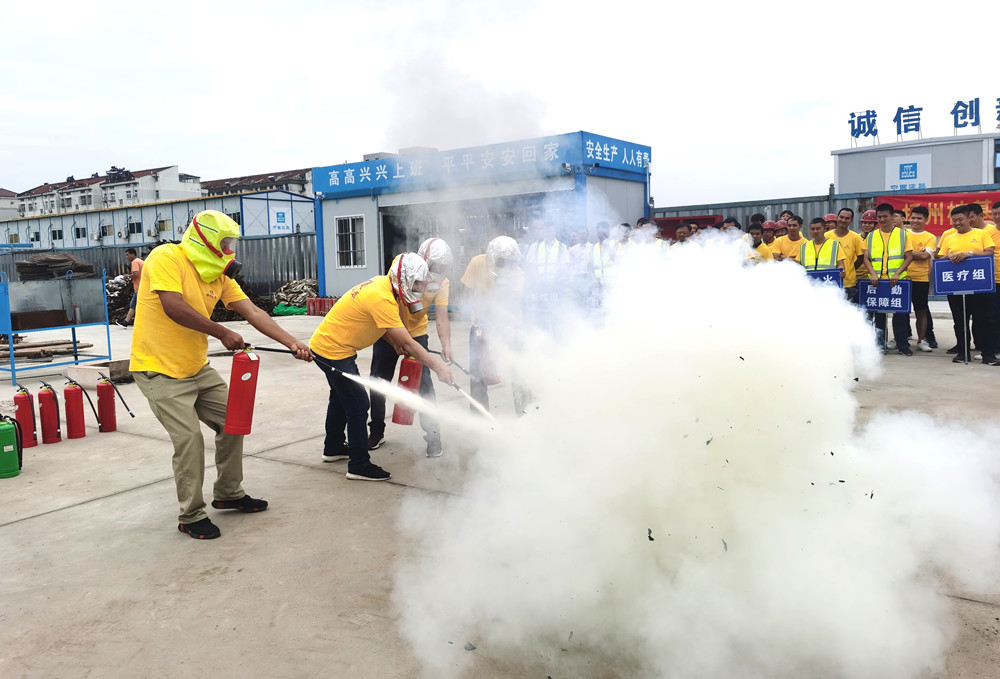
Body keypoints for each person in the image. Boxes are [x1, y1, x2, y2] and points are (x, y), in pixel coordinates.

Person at [130, 210, 313, 540]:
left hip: (196, 367)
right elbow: (173, 306)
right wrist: (221, 332)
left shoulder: (219, 277)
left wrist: (292, 342)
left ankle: (228, 493)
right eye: (225, 243)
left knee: (234, 421)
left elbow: (254, 311)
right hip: (159, 370)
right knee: (188, 440)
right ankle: (191, 514)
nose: (231, 251)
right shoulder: (167, 257)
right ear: (206, 240)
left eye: (232, 244)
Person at [310, 253, 454, 481]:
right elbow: (409, 341)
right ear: (404, 278)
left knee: (339, 397)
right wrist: (438, 367)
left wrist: (394, 343)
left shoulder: (383, 286)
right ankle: (358, 464)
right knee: (358, 404)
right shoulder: (382, 297)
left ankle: (333, 447)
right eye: (416, 282)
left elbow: (382, 326)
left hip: (329, 345)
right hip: (334, 350)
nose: (419, 287)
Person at [367, 238, 454, 458]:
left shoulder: (442, 283)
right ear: (425, 259)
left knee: (425, 386)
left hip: (416, 336)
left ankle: (434, 437)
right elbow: (389, 301)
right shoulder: (403, 266)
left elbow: (442, 316)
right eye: (436, 267)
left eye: (444, 268)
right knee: (378, 382)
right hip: (389, 331)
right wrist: (396, 341)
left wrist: (446, 345)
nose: (439, 272)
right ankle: (376, 431)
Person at [461, 236, 526, 413]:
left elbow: (511, 305)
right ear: (493, 256)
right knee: (478, 375)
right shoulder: (477, 263)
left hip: (509, 326)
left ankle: (525, 414)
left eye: (509, 262)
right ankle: (480, 418)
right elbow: (467, 293)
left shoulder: (518, 274)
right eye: (501, 261)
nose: (506, 265)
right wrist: (478, 316)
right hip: (480, 326)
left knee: (518, 372)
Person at [936, 205, 996, 364]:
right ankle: (963, 352)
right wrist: (949, 257)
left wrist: (968, 254)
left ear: (969, 218)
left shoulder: (982, 234)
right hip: (956, 286)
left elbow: (989, 252)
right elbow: (940, 258)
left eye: (960, 219)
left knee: (983, 319)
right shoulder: (949, 237)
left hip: (978, 285)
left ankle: (987, 354)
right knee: (960, 320)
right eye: (954, 220)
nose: (957, 223)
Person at [864, 203, 914, 355]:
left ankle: (903, 346)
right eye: (879, 217)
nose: (882, 219)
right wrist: (872, 273)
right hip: (877, 281)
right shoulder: (871, 236)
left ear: (892, 217)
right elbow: (866, 258)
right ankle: (880, 345)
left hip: (897, 281)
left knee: (900, 316)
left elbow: (909, 256)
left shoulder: (903, 234)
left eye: (885, 216)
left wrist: (898, 273)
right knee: (879, 316)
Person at [906, 206, 938, 352]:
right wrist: (916, 254)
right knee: (900, 311)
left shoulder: (930, 237)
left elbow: (925, 256)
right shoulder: (903, 234)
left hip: (921, 278)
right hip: (902, 277)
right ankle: (901, 337)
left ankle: (921, 340)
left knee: (921, 310)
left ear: (926, 219)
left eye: (919, 218)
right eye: (913, 218)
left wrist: (907, 253)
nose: (915, 221)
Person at [826, 208, 866, 304]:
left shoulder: (855, 237)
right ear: (837, 217)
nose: (843, 220)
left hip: (849, 283)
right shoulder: (826, 236)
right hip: (829, 281)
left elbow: (861, 257)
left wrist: (850, 268)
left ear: (851, 220)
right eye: (841, 217)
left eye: (847, 218)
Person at [117, 248, 144, 327]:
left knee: (133, 305)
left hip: (139, 288)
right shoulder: (141, 261)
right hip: (143, 287)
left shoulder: (135, 262)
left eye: (127, 255)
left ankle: (125, 322)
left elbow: (136, 274)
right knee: (137, 306)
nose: (126, 257)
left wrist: (128, 276)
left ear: (133, 254)